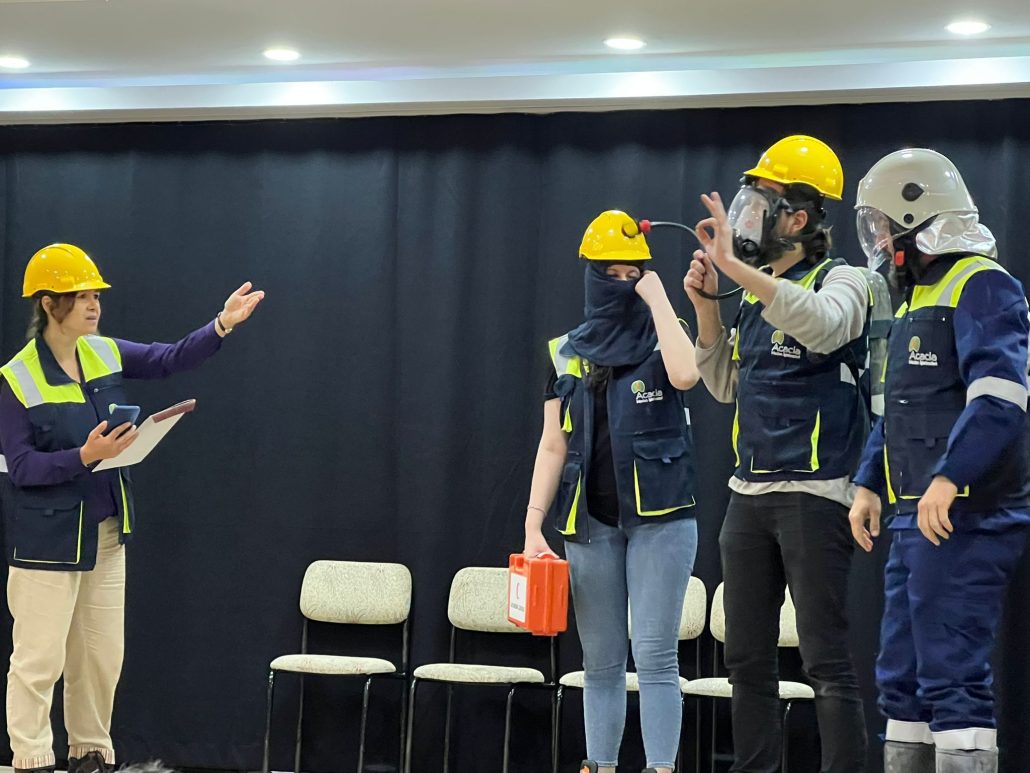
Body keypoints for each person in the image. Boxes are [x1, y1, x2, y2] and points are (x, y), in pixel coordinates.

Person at [0, 243, 264, 773]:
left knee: (100, 657)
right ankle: (31, 758)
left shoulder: (102, 350)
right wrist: (84, 456)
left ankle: (90, 754)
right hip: (47, 541)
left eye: (96, 295)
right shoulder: (16, 378)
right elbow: (22, 467)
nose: (94, 305)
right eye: (81, 296)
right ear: (49, 304)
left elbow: (170, 358)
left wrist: (221, 325)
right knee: (39, 659)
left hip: (104, 530)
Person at [685, 135, 869, 772]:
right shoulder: (752, 295)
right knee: (746, 659)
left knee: (824, 658)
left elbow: (822, 323)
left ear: (797, 218)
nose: (744, 219)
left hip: (817, 493)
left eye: (760, 205)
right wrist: (707, 308)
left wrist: (737, 273)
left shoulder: (846, 281)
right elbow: (724, 385)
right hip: (748, 495)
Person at [848, 149, 1030, 773]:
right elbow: (898, 410)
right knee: (900, 675)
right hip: (913, 515)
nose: (877, 239)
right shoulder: (913, 300)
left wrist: (951, 476)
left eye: (880, 225)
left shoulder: (984, 285)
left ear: (914, 218)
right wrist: (868, 483)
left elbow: (1000, 399)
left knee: (952, 673)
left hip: (971, 516)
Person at [523, 211, 701, 773]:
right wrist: (532, 524)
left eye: (633, 273)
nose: (623, 283)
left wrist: (659, 299)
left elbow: (687, 376)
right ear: (591, 276)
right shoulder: (564, 351)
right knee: (600, 662)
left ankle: (660, 768)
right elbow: (552, 444)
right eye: (612, 274)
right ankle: (598, 764)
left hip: (662, 519)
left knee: (654, 655)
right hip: (589, 522)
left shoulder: (665, 334)